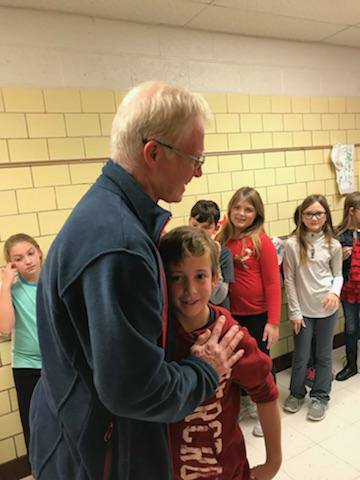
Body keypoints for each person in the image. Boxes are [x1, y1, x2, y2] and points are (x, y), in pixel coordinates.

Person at [29, 81, 244, 480]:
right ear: (154, 153)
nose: (198, 171)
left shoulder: (106, 213)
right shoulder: (121, 244)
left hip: (76, 430)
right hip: (100, 453)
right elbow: (135, 390)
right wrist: (205, 370)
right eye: (194, 158)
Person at [159, 225, 281, 480]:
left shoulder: (231, 334)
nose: (190, 290)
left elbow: (266, 391)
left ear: (215, 278)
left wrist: (273, 461)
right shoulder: (156, 335)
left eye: (200, 276)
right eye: (177, 277)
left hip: (227, 471)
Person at [217, 186, 281, 438]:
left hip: (258, 315)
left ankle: (268, 409)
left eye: (248, 209)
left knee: (261, 362)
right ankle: (246, 400)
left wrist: (273, 322)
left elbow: (273, 282)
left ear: (257, 214)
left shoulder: (260, 241)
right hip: (232, 313)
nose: (241, 213)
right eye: (237, 207)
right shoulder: (225, 238)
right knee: (237, 360)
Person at [283, 194, 342, 421]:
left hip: (327, 309)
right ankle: (297, 394)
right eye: (309, 213)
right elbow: (289, 280)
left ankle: (321, 396)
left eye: (319, 213)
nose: (314, 217)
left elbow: (337, 275)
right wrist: (295, 312)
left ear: (326, 215)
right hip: (303, 312)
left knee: (323, 356)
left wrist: (334, 292)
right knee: (301, 355)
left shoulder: (333, 245)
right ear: (301, 216)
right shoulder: (292, 244)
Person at [0, 233, 42, 456]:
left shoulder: (53, 279)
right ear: (11, 264)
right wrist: (6, 285)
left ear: (39, 252)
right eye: (18, 258)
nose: (27, 261)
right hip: (27, 368)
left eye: (30, 253)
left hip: (58, 364)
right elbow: (5, 328)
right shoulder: (9, 288)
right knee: (33, 425)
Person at [189, 199, 234, 309]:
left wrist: (215, 260)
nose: (198, 231)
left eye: (206, 227)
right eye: (194, 225)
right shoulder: (184, 252)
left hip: (218, 312)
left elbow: (218, 297)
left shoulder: (223, 253)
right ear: (189, 222)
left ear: (216, 228)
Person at [335, 191, 360, 381]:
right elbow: (331, 265)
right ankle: (351, 364)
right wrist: (340, 257)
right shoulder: (339, 236)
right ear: (352, 211)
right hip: (349, 290)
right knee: (351, 327)